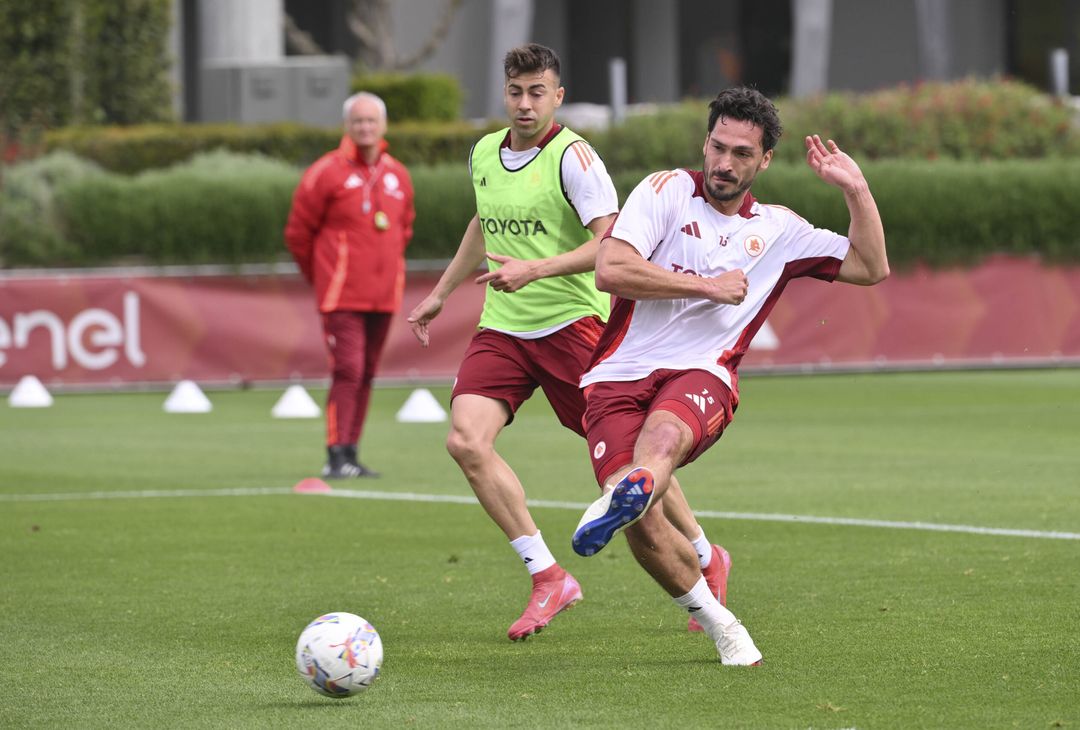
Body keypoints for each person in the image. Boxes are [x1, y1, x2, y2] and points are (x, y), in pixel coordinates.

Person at [407, 43, 727, 641]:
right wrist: (443, 292)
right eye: (515, 92)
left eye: (537, 93)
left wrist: (536, 268)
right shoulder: (482, 152)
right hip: (503, 327)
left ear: (557, 95)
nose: (525, 104)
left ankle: (706, 556)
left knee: (631, 464)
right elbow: (482, 224)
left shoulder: (573, 158)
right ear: (504, 95)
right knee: (465, 442)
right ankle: (548, 575)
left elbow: (610, 247)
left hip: (573, 327)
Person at [571, 86, 889, 665]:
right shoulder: (664, 191)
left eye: (742, 153)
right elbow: (611, 269)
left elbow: (871, 267)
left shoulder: (780, 230)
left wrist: (856, 190)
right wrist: (706, 286)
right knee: (643, 529)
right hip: (615, 376)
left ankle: (628, 490)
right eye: (718, 147)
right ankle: (718, 621)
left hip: (703, 373)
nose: (724, 162)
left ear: (764, 160)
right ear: (705, 143)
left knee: (662, 438)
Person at [285, 92, 415, 479]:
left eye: (371, 121)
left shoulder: (397, 174)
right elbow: (298, 233)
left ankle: (352, 453)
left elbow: (403, 228)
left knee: (368, 372)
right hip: (341, 293)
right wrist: (323, 276)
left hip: (383, 293)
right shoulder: (326, 171)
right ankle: (336, 453)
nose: (365, 128)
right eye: (358, 121)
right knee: (349, 369)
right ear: (347, 126)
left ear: (384, 126)